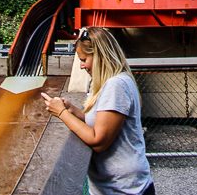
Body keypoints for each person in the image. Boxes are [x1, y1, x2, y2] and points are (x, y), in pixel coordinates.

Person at [41, 27, 154, 195]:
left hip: (125, 189)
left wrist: (62, 114)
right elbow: (101, 122)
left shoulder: (116, 85)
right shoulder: (110, 82)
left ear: (99, 56)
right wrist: (72, 110)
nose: (81, 65)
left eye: (84, 59)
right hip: (114, 187)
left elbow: (99, 141)